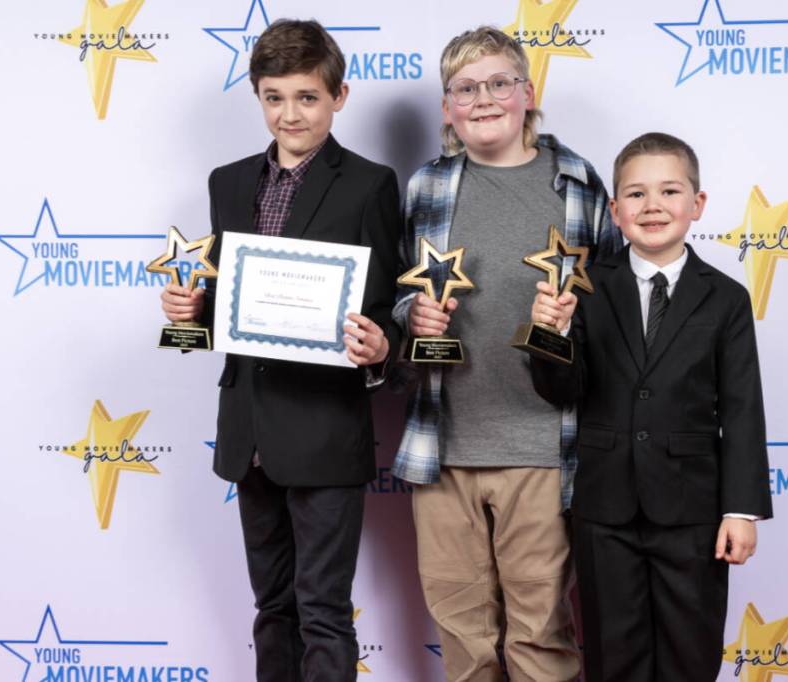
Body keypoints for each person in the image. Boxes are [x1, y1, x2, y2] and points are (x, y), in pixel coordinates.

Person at [160, 19, 400, 682]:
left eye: (306, 97)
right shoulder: (228, 182)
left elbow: (386, 309)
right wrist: (192, 314)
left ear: (339, 96)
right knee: (272, 609)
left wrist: (381, 346)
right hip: (249, 431)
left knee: (322, 609)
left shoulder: (370, 184)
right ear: (257, 96)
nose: (289, 113)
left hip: (324, 427)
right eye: (274, 97)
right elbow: (234, 311)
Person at [390, 25, 620, 681]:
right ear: (447, 107)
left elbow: (611, 309)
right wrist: (414, 315)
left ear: (528, 92)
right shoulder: (426, 187)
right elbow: (397, 299)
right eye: (465, 87)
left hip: (545, 449)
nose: (483, 99)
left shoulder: (576, 181)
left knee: (540, 638)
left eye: (498, 83)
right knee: (463, 643)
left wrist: (574, 326)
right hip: (445, 448)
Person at [529, 132, 773, 681]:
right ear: (615, 211)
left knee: (691, 652)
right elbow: (560, 391)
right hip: (604, 510)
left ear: (697, 204)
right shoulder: (585, 286)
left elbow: (742, 409)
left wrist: (741, 508)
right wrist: (552, 335)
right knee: (614, 655)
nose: (653, 206)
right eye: (636, 195)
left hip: (693, 512)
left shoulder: (726, 297)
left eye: (669, 191)